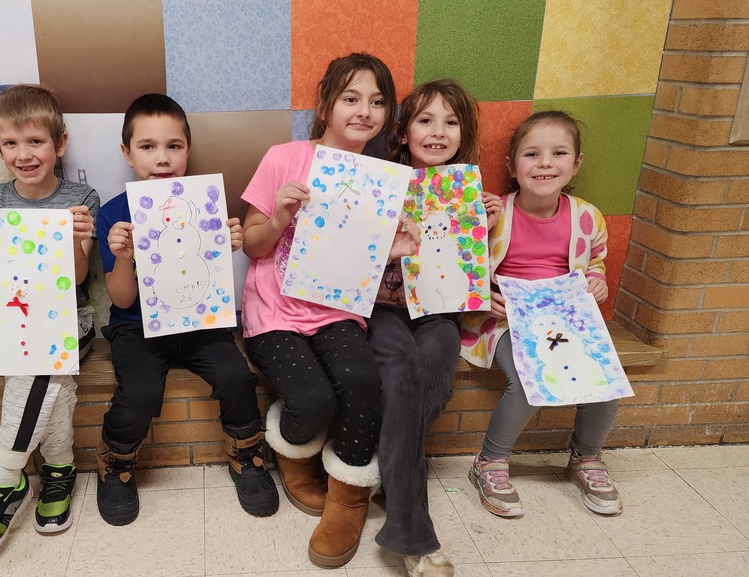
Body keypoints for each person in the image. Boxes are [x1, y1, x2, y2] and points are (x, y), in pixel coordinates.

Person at [240, 52, 415, 568]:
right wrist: (280, 218)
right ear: (326, 103)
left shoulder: (383, 179)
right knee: (313, 399)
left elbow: (359, 259)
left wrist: (395, 252)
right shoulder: (284, 157)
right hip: (274, 310)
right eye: (351, 98)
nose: (364, 111)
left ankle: (349, 497)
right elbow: (251, 245)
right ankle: (292, 455)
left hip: (338, 309)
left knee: (363, 383)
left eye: (378, 102)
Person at [95, 93, 278, 525]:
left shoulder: (205, 204)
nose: (162, 158)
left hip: (199, 323)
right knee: (140, 391)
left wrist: (233, 244)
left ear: (188, 150)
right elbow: (121, 299)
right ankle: (116, 460)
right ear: (127, 153)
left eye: (173, 146)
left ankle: (246, 452)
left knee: (236, 376)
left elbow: (214, 277)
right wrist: (122, 255)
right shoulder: (113, 214)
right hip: (136, 326)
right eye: (147, 146)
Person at [0, 84, 99, 557]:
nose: (24, 154)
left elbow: (76, 276)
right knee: (54, 382)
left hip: (70, 321)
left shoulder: (80, 196)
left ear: (60, 144)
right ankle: (58, 470)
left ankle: (4, 480)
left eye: (35, 142)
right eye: (11, 143)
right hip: (10, 324)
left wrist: (76, 238)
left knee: (39, 364)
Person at [369, 80, 501, 577]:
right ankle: (413, 536)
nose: (438, 132)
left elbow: (470, 275)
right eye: (425, 120)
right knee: (400, 371)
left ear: (463, 133)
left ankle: (386, 468)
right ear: (403, 131)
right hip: (383, 309)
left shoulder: (470, 192)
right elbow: (352, 265)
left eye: (451, 122)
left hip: (439, 312)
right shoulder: (380, 182)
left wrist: (484, 227)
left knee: (435, 379)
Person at [460, 110, 621, 518]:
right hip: (505, 322)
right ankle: (489, 462)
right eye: (532, 154)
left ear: (576, 163)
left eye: (558, 153)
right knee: (529, 381)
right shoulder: (496, 214)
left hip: (566, 321)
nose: (546, 163)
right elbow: (465, 268)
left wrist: (597, 280)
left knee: (604, 381)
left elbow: (597, 260)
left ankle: (585, 458)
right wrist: (482, 295)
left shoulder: (587, 217)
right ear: (513, 167)